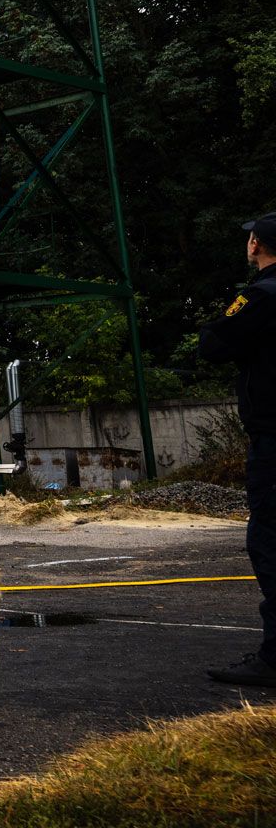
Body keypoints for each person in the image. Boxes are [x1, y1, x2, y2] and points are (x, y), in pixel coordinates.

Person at [197, 214, 276, 689]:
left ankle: (274, 657)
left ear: (256, 244)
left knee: (270, 541)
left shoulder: (262, 296)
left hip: (273, 438)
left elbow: (212, 344)